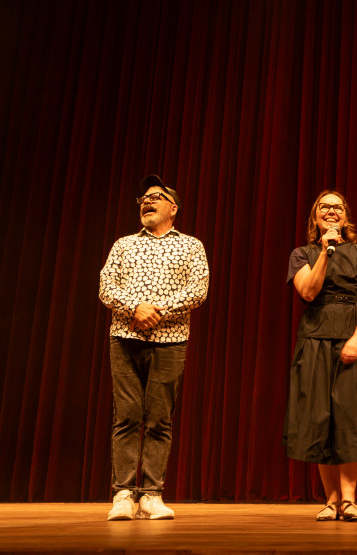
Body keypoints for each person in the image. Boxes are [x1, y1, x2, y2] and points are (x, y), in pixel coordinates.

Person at [99, 174, 209, 520]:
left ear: (172, 208)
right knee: (127, 416)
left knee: (159, 419)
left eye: (156, 197)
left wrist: (155, 312)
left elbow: (198, 290)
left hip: (170, 340)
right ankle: (123, 494)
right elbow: (105, 285)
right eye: (143, 198)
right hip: (125, 337)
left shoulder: (191, 245)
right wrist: (135, 309)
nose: (147, 201)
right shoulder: (123, 244)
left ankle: (151, 495)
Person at [284, 190, 357, 522]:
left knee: (350, 418)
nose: (331, 212)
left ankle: (349, 499)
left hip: (351, 334)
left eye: (338, 207)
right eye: (324, 207)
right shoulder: (302, 254)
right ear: (316, 217)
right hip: (314, 339)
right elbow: (308, 291)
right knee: (319, 417)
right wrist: (326, 252)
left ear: (346, 216)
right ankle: (330, 500)